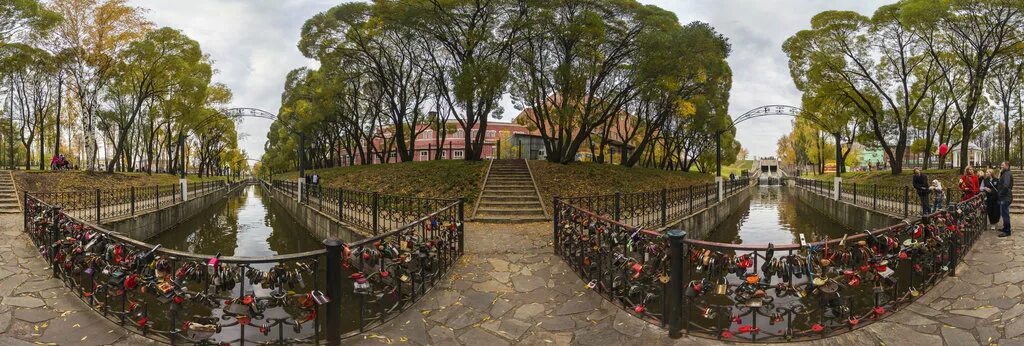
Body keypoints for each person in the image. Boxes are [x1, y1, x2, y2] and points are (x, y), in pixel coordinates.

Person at [998, 161, 1014, 237]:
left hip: (1005, 197)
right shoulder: (1005, 173)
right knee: (1003, 213)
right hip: (1005, 196)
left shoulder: (1007, 174)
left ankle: (1007, 231)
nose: (1001, 166)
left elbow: (1006, 185)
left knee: (1005, 214)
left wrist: (1000, 193)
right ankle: (1005, 228)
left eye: (1002, 165)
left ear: (1007, 166)